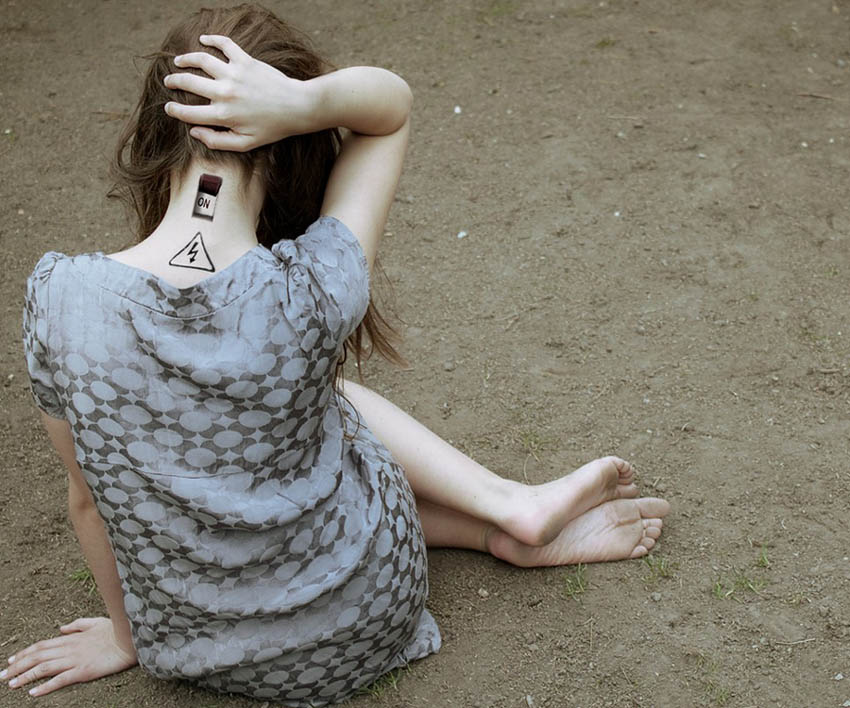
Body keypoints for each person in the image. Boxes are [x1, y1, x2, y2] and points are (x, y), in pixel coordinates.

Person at [8, 4, 670, 705]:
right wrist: (303, 103)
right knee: (327, 408)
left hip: (198, 648)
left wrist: (126, 639)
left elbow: (89, 501)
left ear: (153, 127)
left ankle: (503, 523)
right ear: (294, 143)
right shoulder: (315, 285)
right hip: (369, 616)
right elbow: (391, 107)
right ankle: (506, 515)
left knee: (229, 453)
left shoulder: (60, 300)